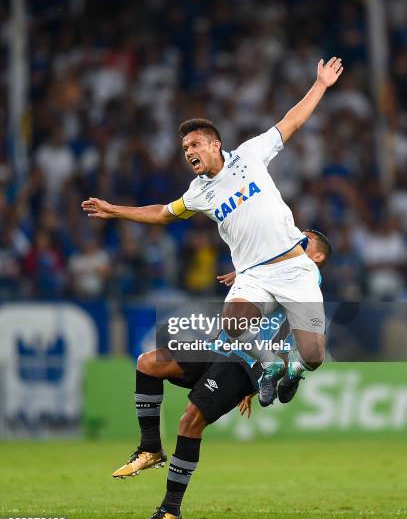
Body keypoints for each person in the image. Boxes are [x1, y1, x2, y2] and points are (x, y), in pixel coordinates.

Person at [81, 56, 343, 410]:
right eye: (185, 148)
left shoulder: (251, 154)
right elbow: (162, 213)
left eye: (194, 145)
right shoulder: (197, 193)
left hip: (294, 267)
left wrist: (320, 85)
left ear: (214, 144)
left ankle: (295, 369)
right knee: (234, 322)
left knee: (313, 355)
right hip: (254, 275)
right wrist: (115, 210)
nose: (189, 151)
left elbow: (291, 122)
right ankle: (271, 364)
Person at [111, 229, 331, 519]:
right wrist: (246, 273)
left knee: (190, 422)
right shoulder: (273, 269)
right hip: (218, 346)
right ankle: (151, 448)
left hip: (245, 360)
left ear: (317, 257)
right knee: (149, 363)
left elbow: (290, 336)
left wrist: (260, 377)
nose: (294, 242)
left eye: (304, 242)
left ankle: (170, 509)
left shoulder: (306, 278)